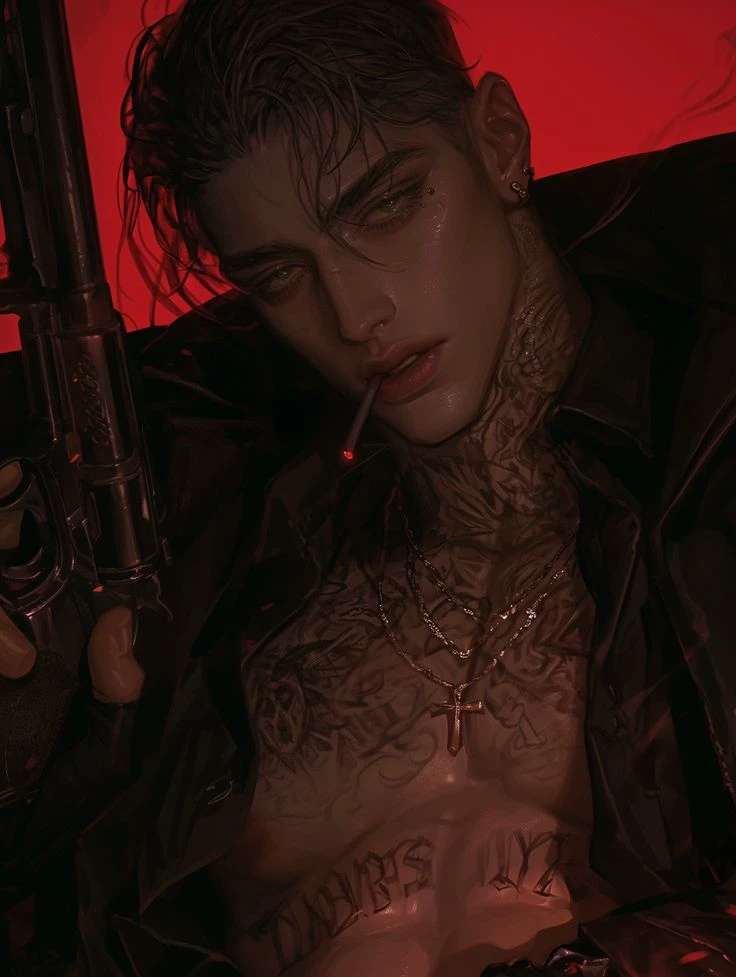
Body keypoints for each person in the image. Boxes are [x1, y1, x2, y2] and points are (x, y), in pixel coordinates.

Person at [2, 1, 736, 975]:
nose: (354, 314)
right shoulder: (219, 559)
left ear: (500, 139)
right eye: (279, 275)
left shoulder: (702, 483)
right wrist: (48, 748)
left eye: (384, 206)